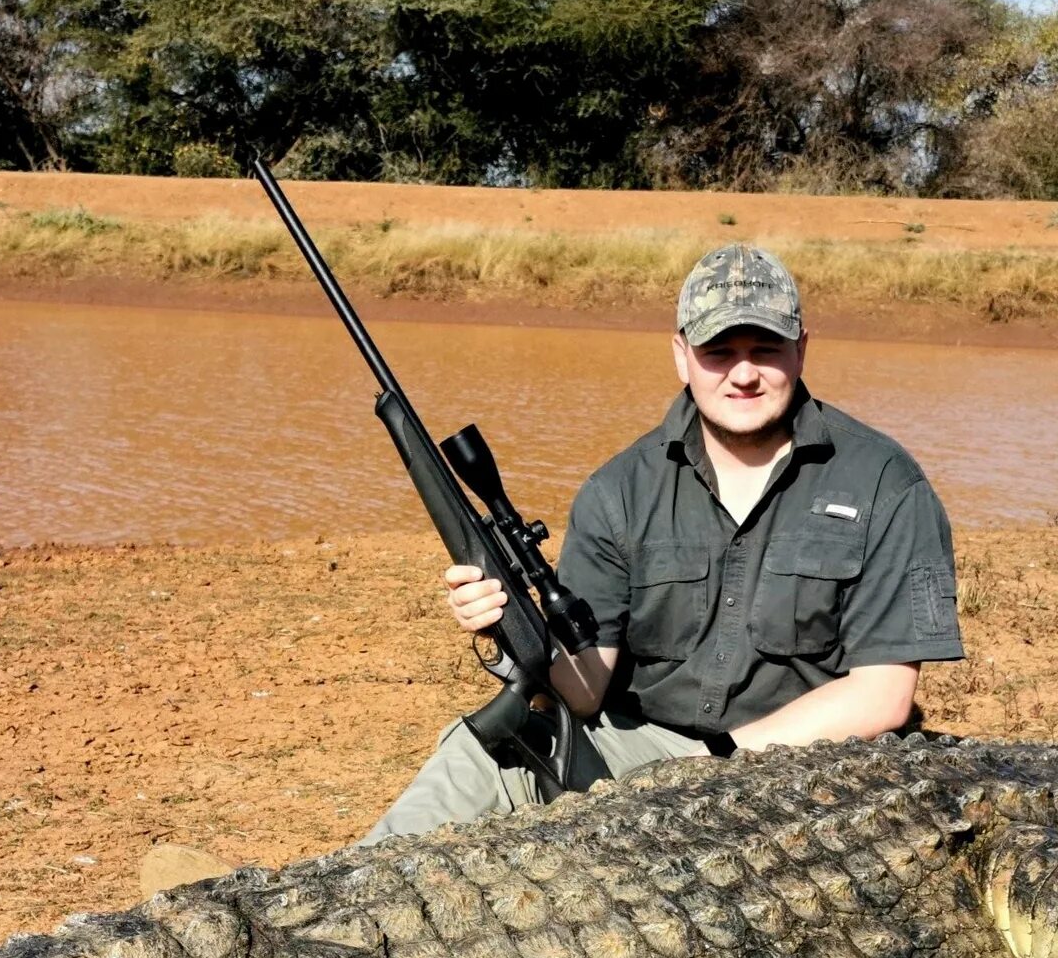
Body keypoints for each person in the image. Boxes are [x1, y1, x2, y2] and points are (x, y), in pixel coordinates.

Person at [366, 243, 963, 841]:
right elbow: (581, 689)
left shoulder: (886, 481)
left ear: (802, 348)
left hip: (810, 763)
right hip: (643, 749)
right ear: (681, 356)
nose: (744, 373)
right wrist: (505, 632)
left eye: (766, 349)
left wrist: (717, 764)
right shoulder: (618, 488)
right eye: (718, 351)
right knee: (477, 754)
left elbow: (883, 695)